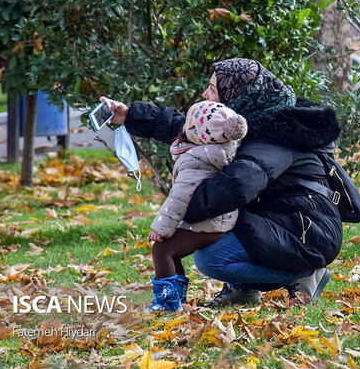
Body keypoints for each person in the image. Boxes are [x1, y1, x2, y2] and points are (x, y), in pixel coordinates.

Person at [102, 58, 343, 306]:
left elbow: (237, 185)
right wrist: (131, 116)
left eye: (213, 89)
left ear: (239, 96)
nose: (205, 94)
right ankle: (243, 290)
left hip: (308, 230)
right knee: (223, 226)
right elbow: (195, 129)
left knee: (212, 258)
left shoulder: (279, 134)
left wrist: (183, 206)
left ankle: (303, 275)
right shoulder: (256, 115)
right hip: (283, 217)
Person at [147, 100, 248, 311]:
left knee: (162, 249)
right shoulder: (223, 149)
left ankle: (168, 304)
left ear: (195, 131)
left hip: (208, 224)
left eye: (187, 122)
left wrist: (161, 227)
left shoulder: (196, 159)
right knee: (171, 251)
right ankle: (176, 300)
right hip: (222, 221)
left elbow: (179, 196)